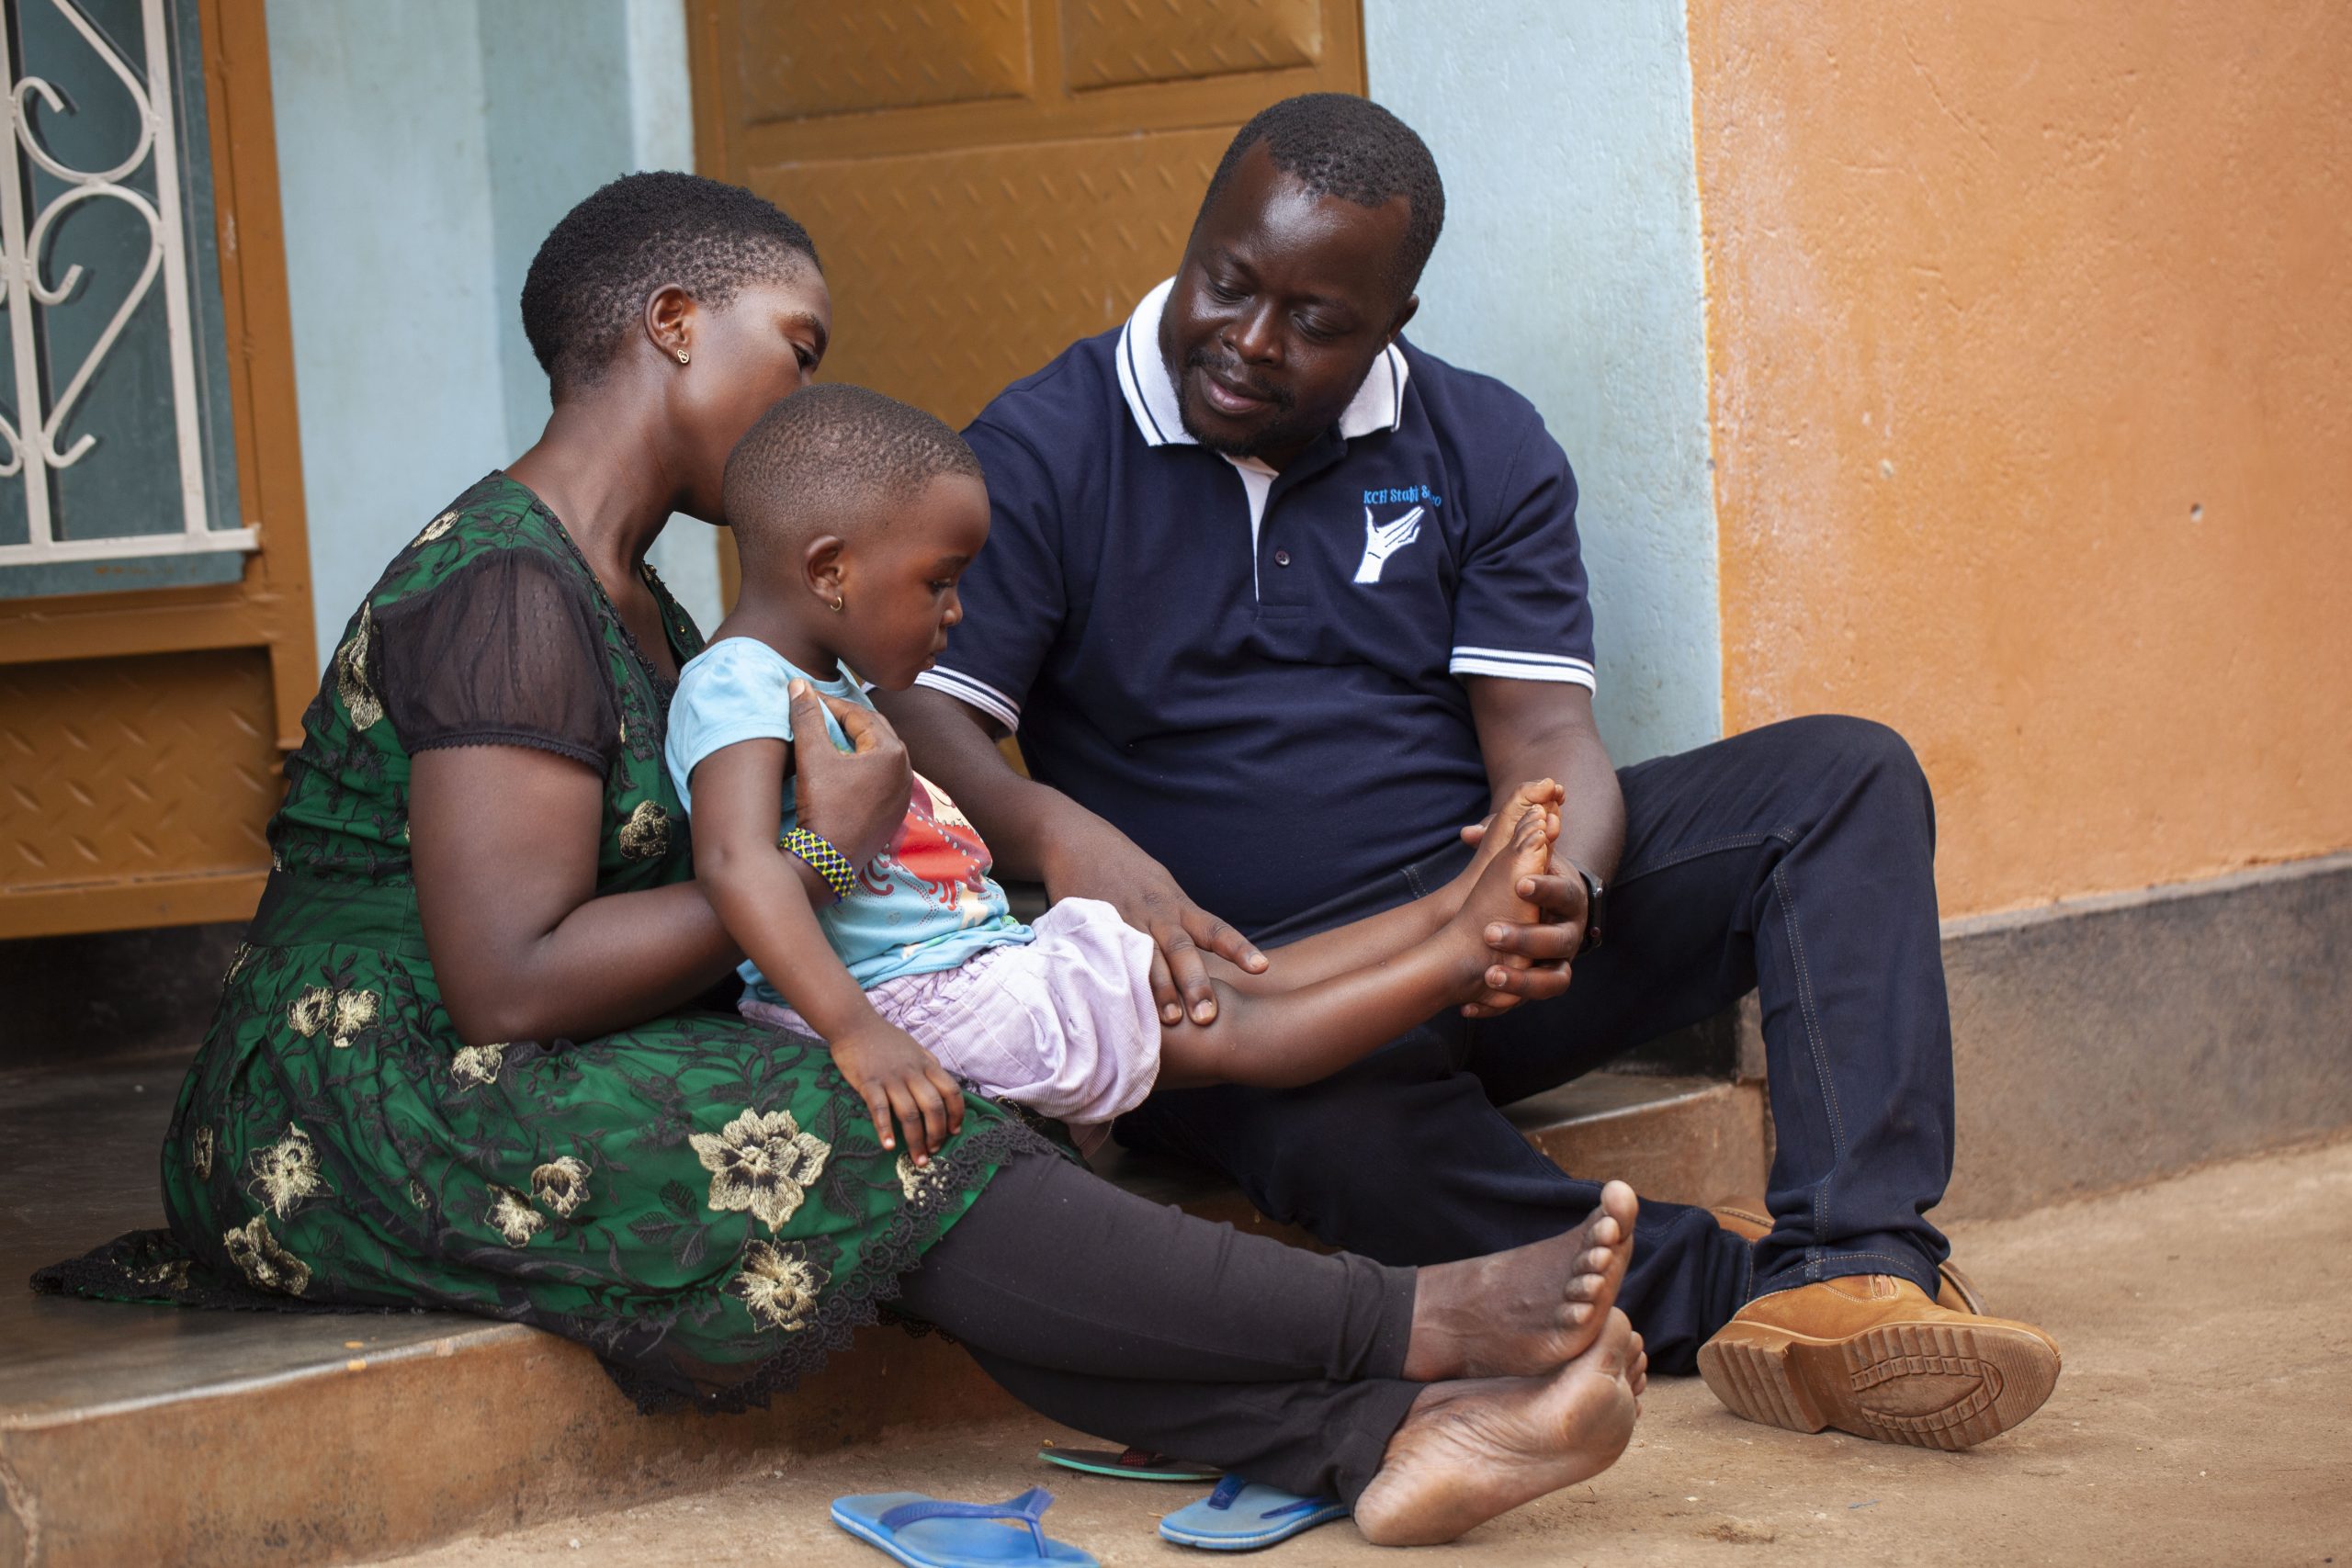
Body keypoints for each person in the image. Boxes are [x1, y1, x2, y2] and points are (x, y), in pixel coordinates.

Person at [34, 172, 1661, 1546]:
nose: (809, 401)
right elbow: (508, 981)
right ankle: (1420, 1322)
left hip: (527, 1039)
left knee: (927, 1088)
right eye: (794, 349)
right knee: (860, 1123)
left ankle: (1387, 1435)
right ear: (676, 321)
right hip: (364, 1091)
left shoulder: (642, 599)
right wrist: (827, 852)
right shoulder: (506, 588)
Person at [877, 95, 2064, 1450]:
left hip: (1476, 927)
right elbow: (918, 711)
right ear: (1195, 238)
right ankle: (1758, 1296)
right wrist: (1056, 831)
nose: (1251, 341)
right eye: (1230, 283)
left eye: (1315, 319)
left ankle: (1862, 1256)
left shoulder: (1480, 441)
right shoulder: (1041, 449)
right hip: (1255, 990)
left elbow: (1548, 738)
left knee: (1841, 779)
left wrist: (1564, 885)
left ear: (1396, 319)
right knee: (1326, 1141)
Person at [665, 382, 1564, 1166]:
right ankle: (1459, 957)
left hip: (962, 970)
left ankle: (1450, 906)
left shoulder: (822, 679)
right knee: (1232, 1028)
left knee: (1221, 985)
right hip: (907, 1000)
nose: (957, 612)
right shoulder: (737, 683)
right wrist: (857, 1031)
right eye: (939, 583)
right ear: (830, 571)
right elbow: (737, 867)